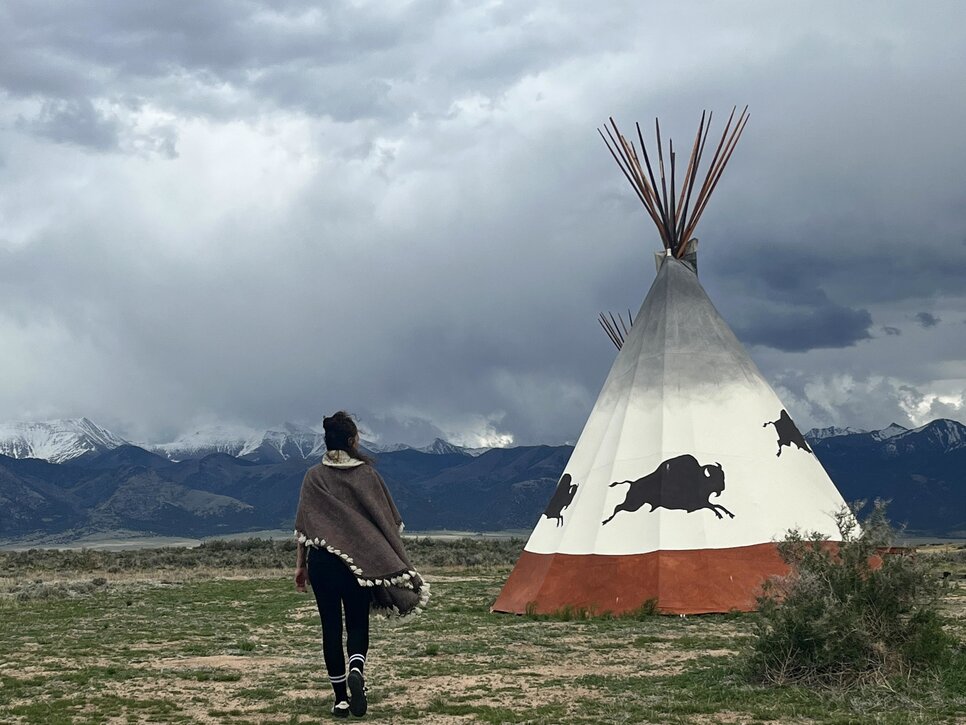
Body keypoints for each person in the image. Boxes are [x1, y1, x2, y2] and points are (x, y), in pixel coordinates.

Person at [294, 411, 428, 718]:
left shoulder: (313, 476)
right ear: (353, 440)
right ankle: (357, 669)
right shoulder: (367, 476)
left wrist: (300, 565)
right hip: (358, 564)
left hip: (323, 563)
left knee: (330, 627)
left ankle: (341, 699)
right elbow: (386, 522)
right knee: (357, 622)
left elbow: (305, 528)